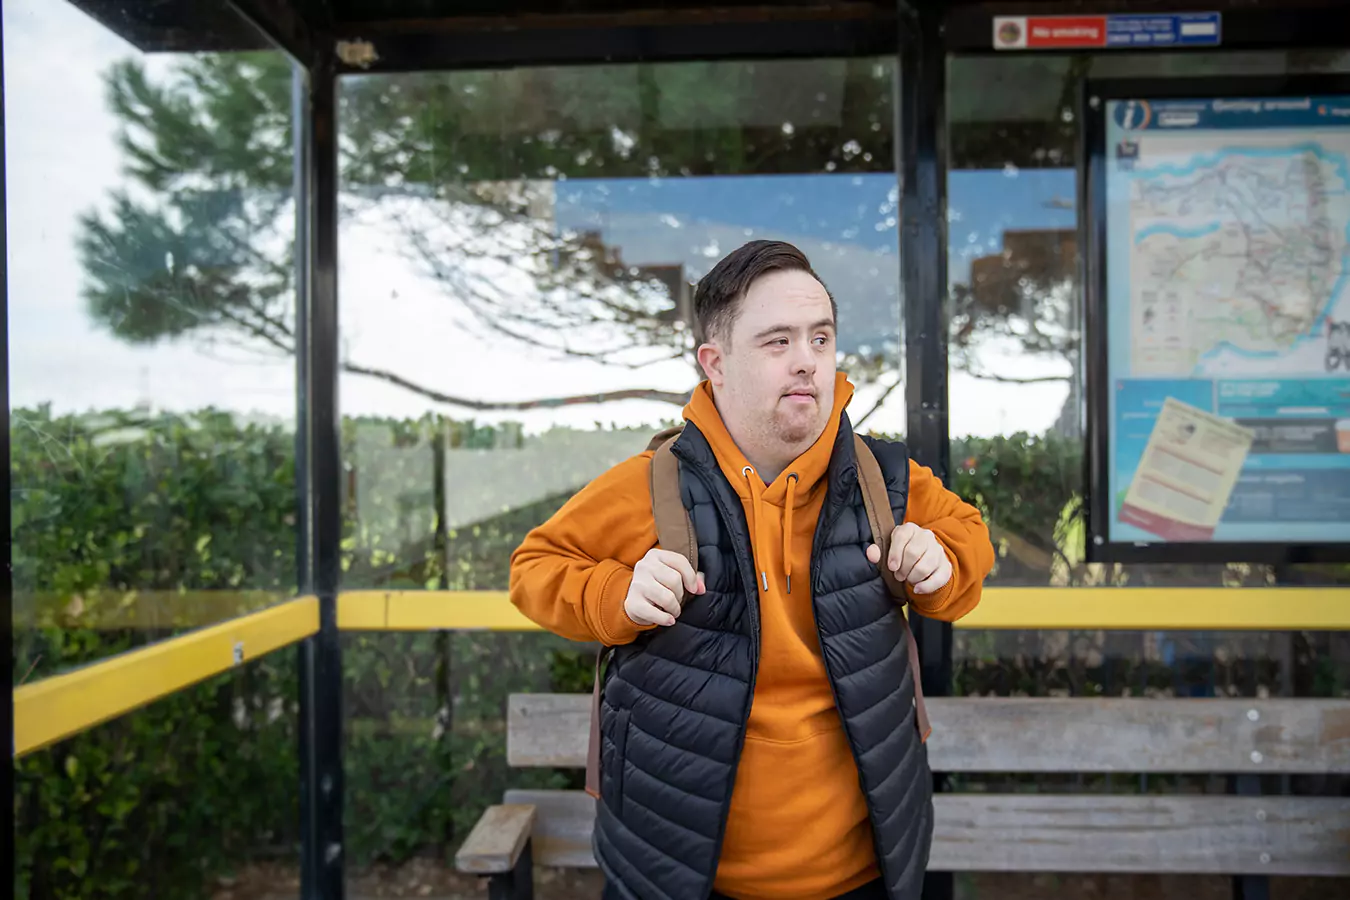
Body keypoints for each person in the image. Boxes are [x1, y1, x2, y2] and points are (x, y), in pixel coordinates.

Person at [509, 240, 994, 900]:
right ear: (716, 364)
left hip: (867, 876)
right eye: (777, 342)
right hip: (679, 880)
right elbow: (534, 568)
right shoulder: (649, 487)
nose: (807, 361)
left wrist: (941, 567)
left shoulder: (888, 480)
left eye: (821, 339)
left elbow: (967, 548)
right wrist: (615, 594)